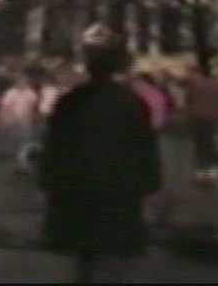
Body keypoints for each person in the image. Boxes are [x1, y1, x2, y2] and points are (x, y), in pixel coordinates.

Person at [37, 37, 161, 284]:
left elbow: (55, 144)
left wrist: (47, 178)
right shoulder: (130, 103)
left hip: (78, 186)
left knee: (83, 251)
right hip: (119, 187)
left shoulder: (71, 100)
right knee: (115, 253)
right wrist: (150, 181)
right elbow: (144, 146)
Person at [185, 65, 218, 180]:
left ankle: (201, 170)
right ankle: (214, 169)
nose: (189, 76)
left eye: (191, 73)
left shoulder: (193, 85)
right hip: (213, 118)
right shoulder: (217, 84)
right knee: (209, 142)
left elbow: (188, 100)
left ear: (198, 73)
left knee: (200, 144)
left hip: (198, 117)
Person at [0, 74, 41, 172]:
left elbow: (34, 107)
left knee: (26, 141)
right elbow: (5, 107)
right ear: (16, 83)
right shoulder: (11, 93)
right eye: (20, 82)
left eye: (24, 82)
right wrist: (4, 119)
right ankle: (19, 162)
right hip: (13, 120)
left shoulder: (30, 93)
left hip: (26, 120)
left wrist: (35, 118)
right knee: (16, 142)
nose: (22, 84)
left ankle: (23, 163)